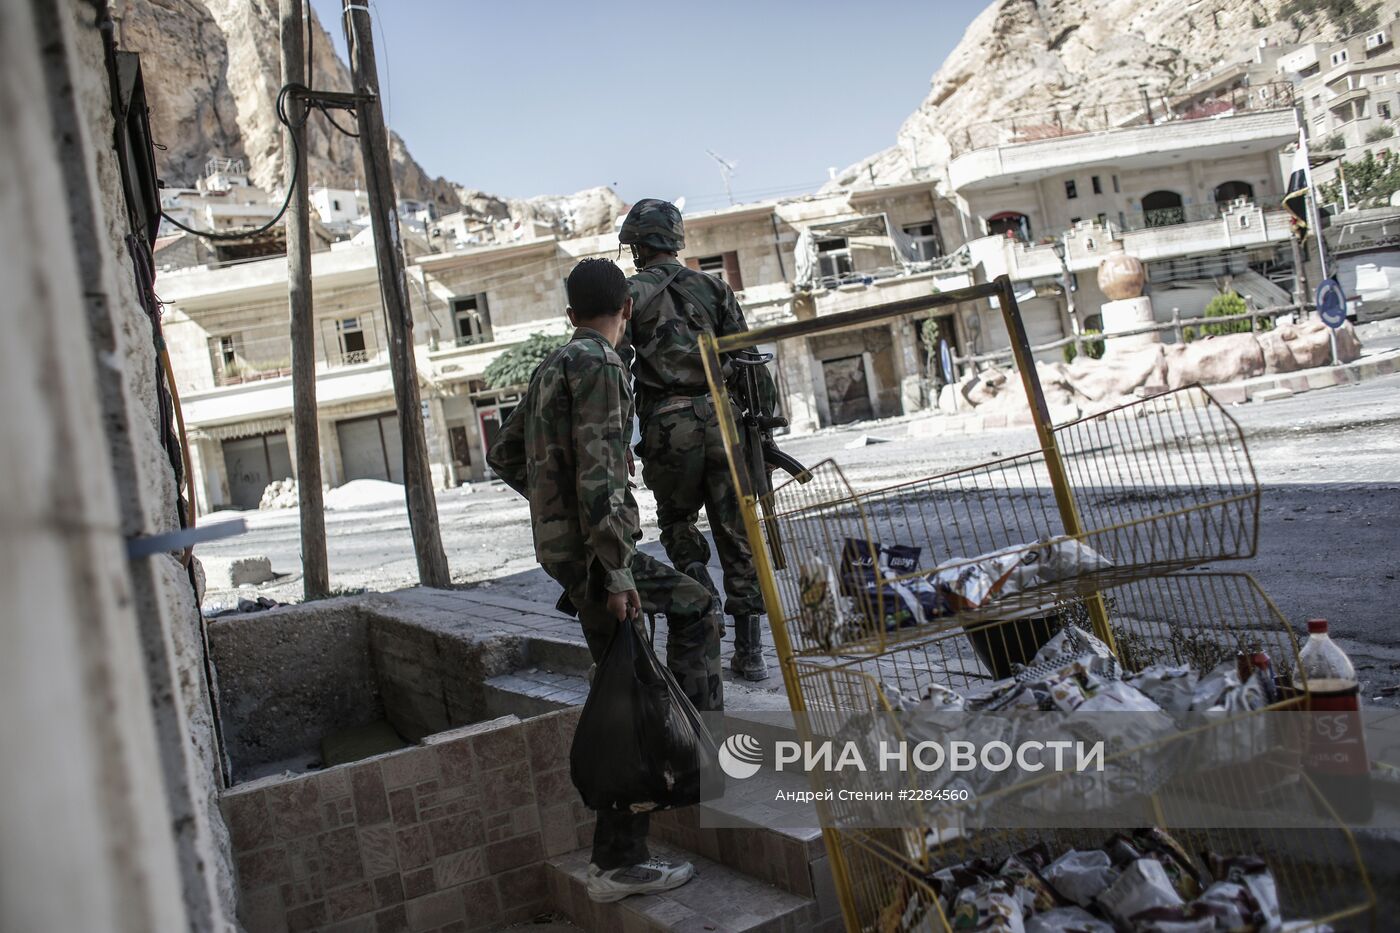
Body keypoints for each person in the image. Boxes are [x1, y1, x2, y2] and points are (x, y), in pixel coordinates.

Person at [486, 258, 722, 903]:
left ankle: (651, 805)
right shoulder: (602, 365)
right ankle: (674, 774)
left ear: (570, 315)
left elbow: (504, 454)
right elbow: (602, 472)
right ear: (628, 310)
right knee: (689, 619)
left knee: (630, 677)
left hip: (573, 550)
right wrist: (614, 566)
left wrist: (554, 510)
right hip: (598, 556)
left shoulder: (551, 365)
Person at [618, 198, 769, 682]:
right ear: (675, 240)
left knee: (678, 521)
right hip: (724, 419)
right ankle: (751, 653)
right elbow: (748, 362)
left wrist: (618, 439)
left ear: (638, 246)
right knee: (737, 530)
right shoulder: (714, 287)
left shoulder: (628, 294)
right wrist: (763, 428)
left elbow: (616, 369)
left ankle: (701, 590)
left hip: (668, 425)